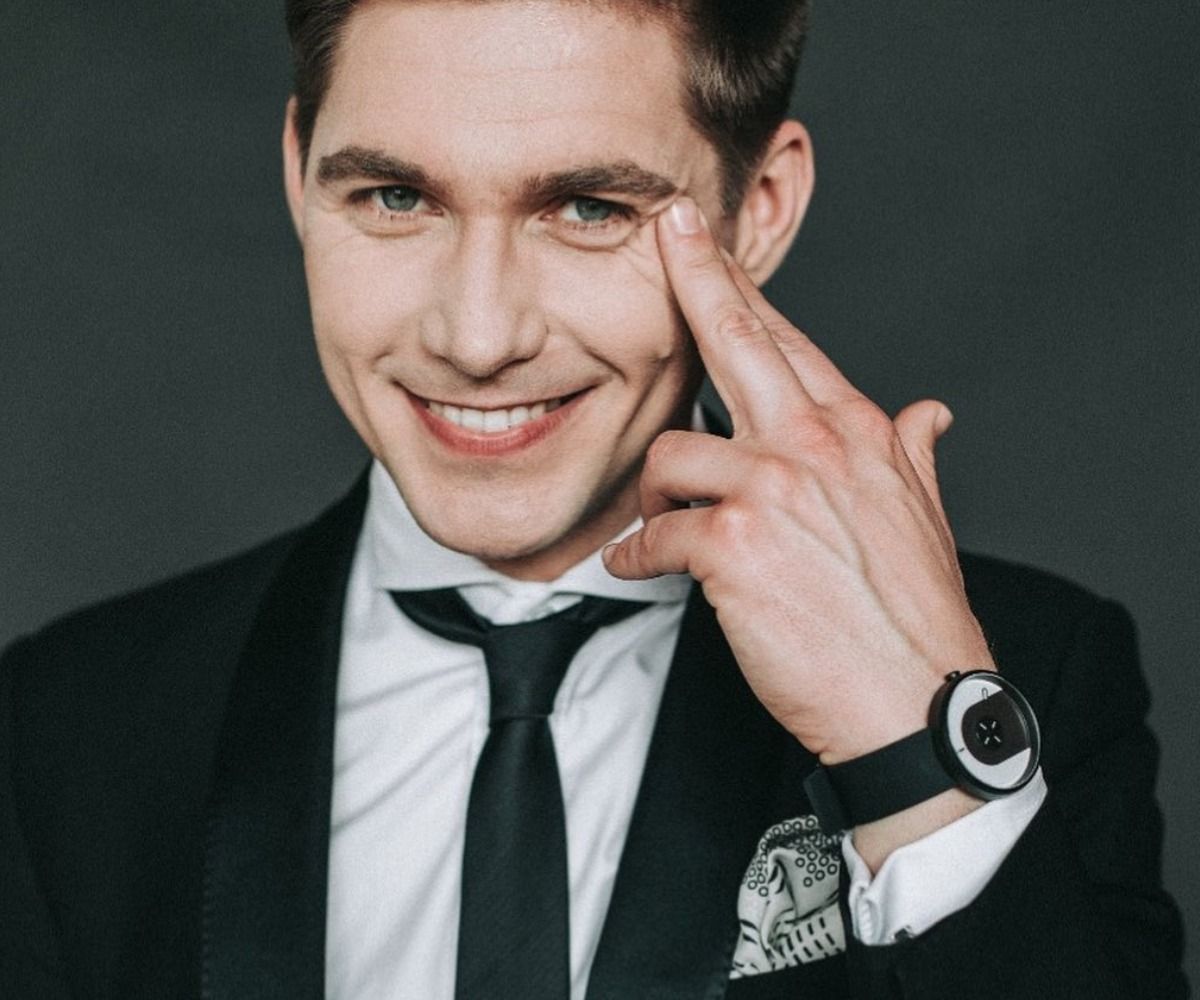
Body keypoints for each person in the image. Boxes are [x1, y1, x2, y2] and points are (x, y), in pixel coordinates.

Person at [0, 0, 1187, 997]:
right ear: (299, 170)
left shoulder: (1031, 674)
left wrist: (914, 763)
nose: (477, 337)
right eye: (396, 196)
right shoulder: (64, 725)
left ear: (760, 209)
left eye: (589, 209)